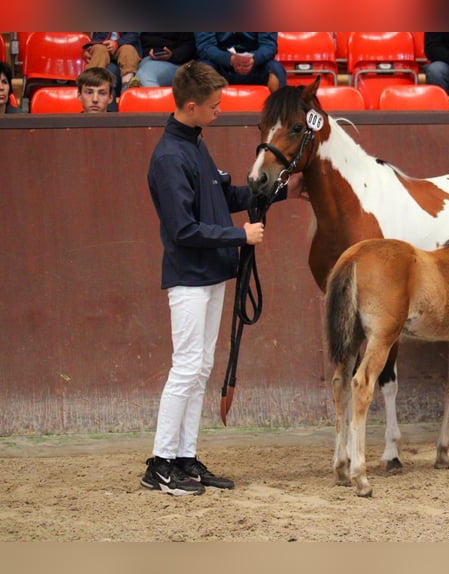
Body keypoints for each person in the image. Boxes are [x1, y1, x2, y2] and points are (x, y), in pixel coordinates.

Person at [141, 60, 286, 495]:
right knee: (186, 368)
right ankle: (161, 463)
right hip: (189, 277)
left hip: (208, 275)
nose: (219, 110)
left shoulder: (194, 144)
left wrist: (268, 192)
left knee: (199, 366)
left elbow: (222, 195)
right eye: (214, 105)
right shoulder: (169, 157)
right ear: (191, 105)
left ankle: (183, 457)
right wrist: (240, 234)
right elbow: (184, 228)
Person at [194, 33, 286, 92]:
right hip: (219, 65)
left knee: (276, 70)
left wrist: (252, 59)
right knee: (202, 71)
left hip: (256, 65)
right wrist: (229, 60)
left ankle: (280, 118)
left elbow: (269, 46)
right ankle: (200, 120)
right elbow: (205, 46)